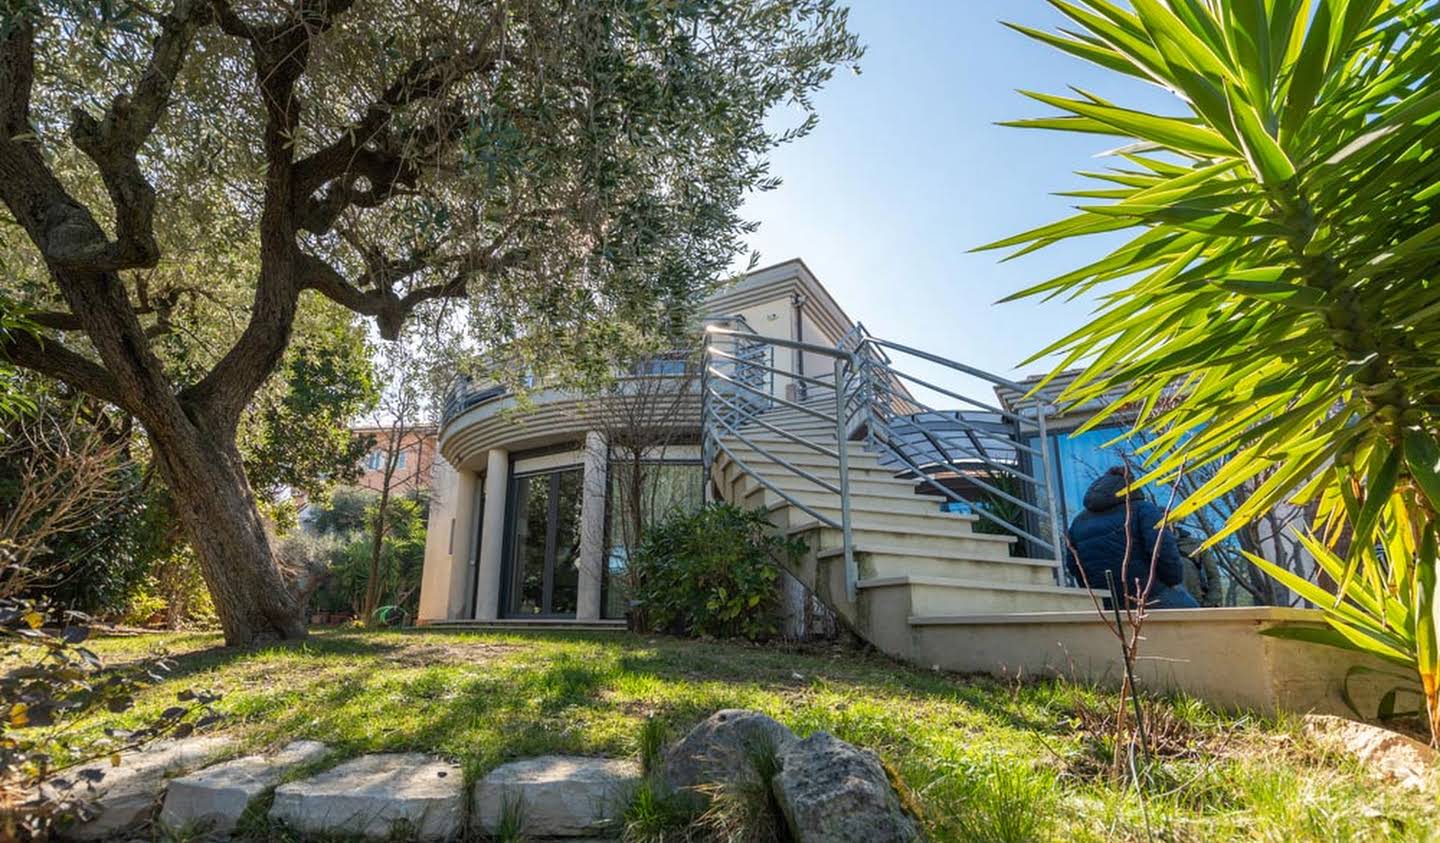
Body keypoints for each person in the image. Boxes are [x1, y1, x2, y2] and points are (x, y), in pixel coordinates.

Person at [1065, 465, 1200, 609]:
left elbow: (1073, 564)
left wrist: (1093, 591)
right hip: (1147, 593)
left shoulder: (1078, 521)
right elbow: (1162, 550)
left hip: (1104, 600)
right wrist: (1173, 581)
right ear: (1132, 484)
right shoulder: (1143, 509)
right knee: (1198, 618)